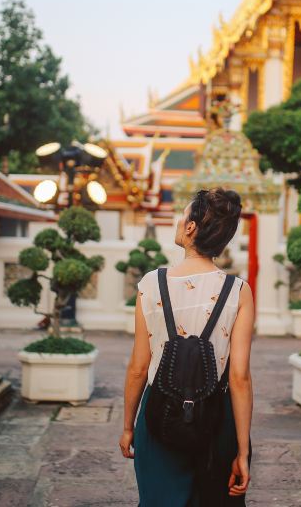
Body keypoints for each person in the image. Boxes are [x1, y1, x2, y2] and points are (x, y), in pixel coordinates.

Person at [120, 188, 255, 506]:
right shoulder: (238, 291)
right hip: (215, 413)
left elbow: (140, 366)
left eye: (182, 216)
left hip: (158, 412)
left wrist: (128, 426)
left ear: (191, 227)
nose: (179, 222)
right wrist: (242, 450)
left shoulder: (151, 284)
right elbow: (239, 377)